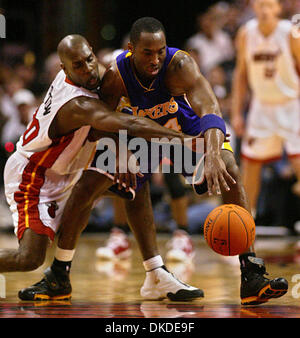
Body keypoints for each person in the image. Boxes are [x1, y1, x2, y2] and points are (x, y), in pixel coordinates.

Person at [20, 18, 288, 305]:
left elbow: (210, 108)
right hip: (137, 138)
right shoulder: (115, 76)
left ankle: (251, 272)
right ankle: (61, 272)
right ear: (131, 49)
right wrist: (120, 151)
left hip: (181, 132)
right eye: (147, 53)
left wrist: (212, 154)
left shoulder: (180, 65)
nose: (156, 59)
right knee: (89, 186)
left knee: (229, 166)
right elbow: (99, 126)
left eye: (160, 50)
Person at [1, 34, 199, 290]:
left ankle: (154, 272)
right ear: (64, 69)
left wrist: (120, 150)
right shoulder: (77, 104)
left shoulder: (92, 76)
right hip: (34, 177)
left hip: (67, 167)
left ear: (92, 53)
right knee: (29, 258)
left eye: (89, 60)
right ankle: (60, 273)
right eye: (79, 66)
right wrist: (184, 138)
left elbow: (105, 126)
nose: (88, 69)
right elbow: (129, 123)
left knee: (134, 178)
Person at [231, 0, 300, 217]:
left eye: (269, 5)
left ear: (278, 8)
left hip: (290, 105)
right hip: (261, 108)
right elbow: (240, 76)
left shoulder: (291, 33)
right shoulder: (245, 34)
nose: (264, 10)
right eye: (260, 4)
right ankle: (245, 224)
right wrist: (236, 113)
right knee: (250, 167)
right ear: (253, 7)